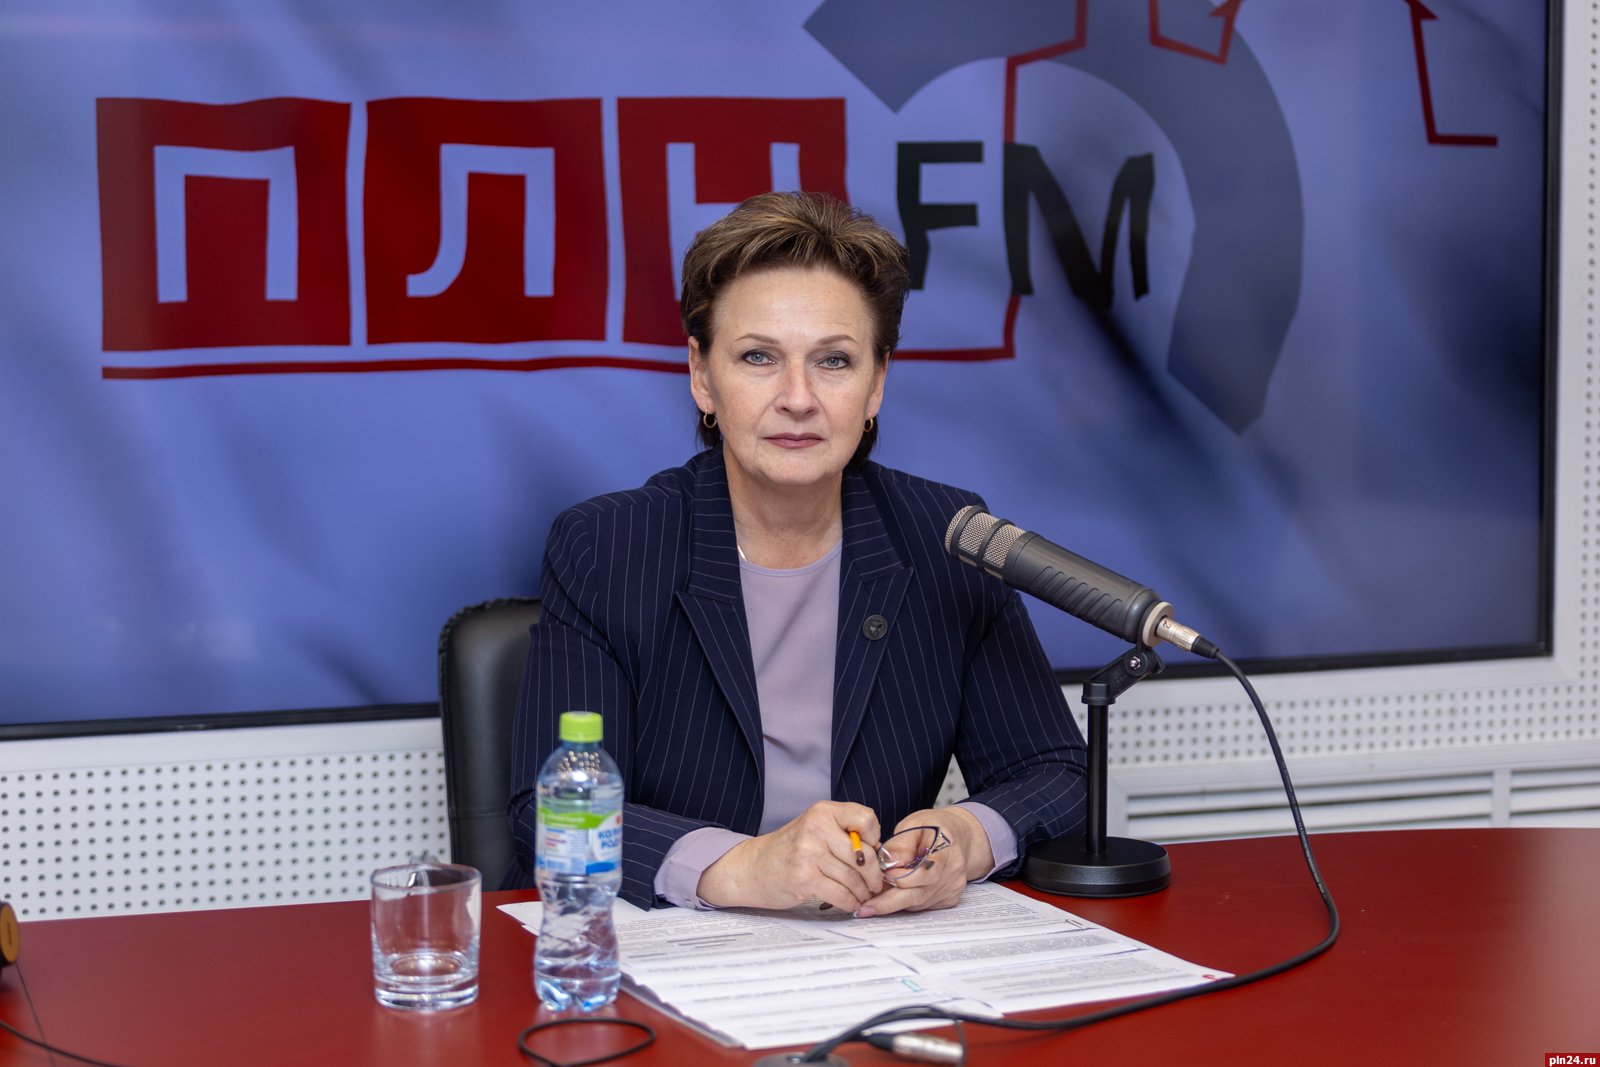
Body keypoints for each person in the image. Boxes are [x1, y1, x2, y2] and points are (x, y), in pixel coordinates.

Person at [508, 191, 1086, 915]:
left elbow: (1054, 771)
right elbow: (547, 810)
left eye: (834, 361)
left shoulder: (946, 536)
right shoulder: (609, 545)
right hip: (673, 951)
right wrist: (739, 866)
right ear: (701, 375)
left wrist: (965, 837)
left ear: (876, 383)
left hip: (879, 949)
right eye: (758, 357)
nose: (798, 397)